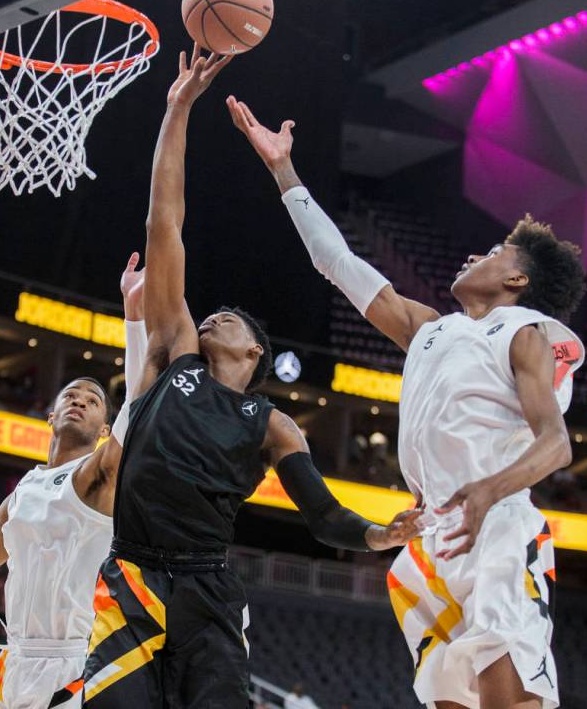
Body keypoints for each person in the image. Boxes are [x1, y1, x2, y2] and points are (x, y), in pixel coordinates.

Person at [81, 47, 422, 709]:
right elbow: (165, 222)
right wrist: (178, 108)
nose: (211, 317)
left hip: (209, 593)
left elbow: (322, 516)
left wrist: (380, 536)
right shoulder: (173, 353)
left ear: (256, 353)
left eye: (227, 318)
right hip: (130, 576)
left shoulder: (274, 425)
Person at [227, 96, 586, 709]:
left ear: (517, 281)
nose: (475, 256)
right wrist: (284, 171)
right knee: (448, 699)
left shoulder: (524, 331)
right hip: (431, 531)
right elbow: (334, 262)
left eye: (495, 252)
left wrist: (488, 490)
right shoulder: (431, 328)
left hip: (495, 523)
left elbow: (556, 444)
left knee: (511, 700)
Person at [0, 256, 149, 709]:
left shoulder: (96, 476)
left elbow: (141, 401)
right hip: (13, 664)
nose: (80, 402)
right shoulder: (21, 494)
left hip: (74, 665)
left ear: (106, 430)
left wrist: (135, 315)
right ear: (51, 416)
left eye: (93, 400)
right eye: (71, 395)